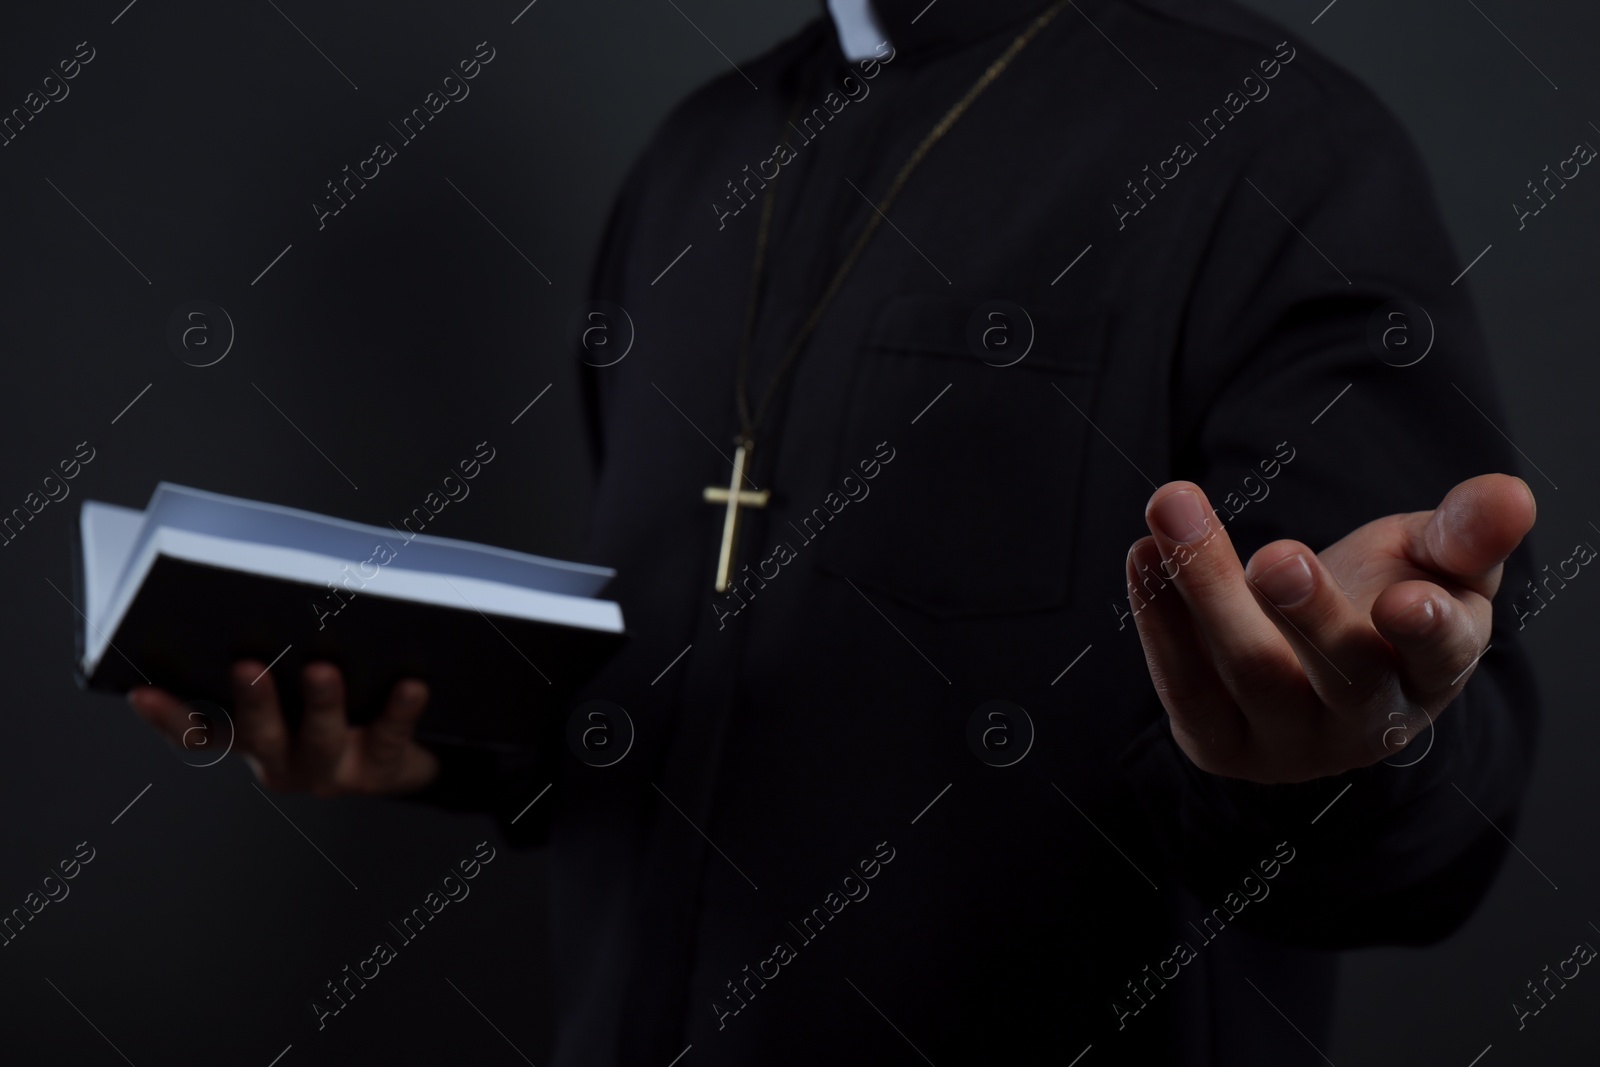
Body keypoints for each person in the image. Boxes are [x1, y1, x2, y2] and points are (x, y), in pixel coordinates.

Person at [130, 0, 1540, 1062]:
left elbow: (1433, 793)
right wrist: (428, 732)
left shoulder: (1275, 143)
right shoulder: (693, 156)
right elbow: (678, 697)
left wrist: (1363, 749)